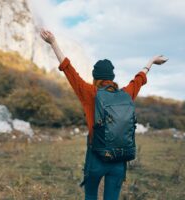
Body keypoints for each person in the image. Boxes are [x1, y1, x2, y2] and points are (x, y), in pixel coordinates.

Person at [40, 29, 168, 200]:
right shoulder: (126, 94)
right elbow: (139, 79)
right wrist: (151, 61)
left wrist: (53, 43)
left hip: (96, 158)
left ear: (95, 78)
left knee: (91, 195)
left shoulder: (89, 93)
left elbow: (69, 70)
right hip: (119, 160)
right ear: (112, 78)